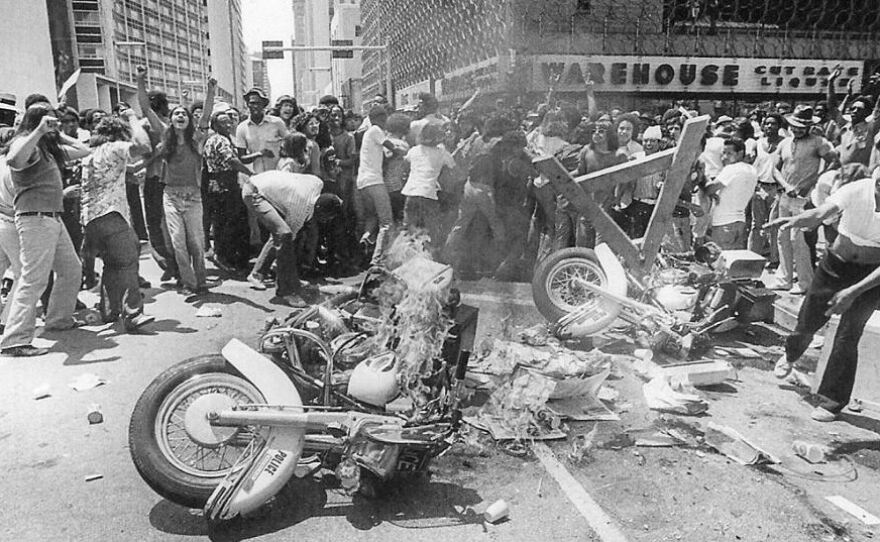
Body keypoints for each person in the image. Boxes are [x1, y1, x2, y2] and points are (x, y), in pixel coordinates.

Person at [765, 172, 880, 422]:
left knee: (848, 336)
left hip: (871, 278)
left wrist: (853, 292)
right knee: (808, 320)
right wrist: (795, 220)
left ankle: (832, 402)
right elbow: (820, 213)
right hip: (834, 265)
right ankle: (791, 355)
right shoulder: (859, 188)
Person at [1, 103, 91, 357]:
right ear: (35, 121)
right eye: (48, 118)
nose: (53, 121)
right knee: (33, 279)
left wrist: (56, 133)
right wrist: (39, 131)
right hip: (35, 219)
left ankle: (59, 319)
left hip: (52, 218)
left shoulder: (47, 149)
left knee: (72, 269)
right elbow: (14, 158)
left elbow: (83, 150)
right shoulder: (26, 145)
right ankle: (14, 340)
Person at [80, 111, 154, 331]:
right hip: (111, 215)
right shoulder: (115, 147)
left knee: (112, 264)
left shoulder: (90, 152)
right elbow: (144, 146)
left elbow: (128, 170)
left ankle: (110, 311)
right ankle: (133, 314)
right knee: (128, 260)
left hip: (90, 218)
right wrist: (132, 119)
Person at [241, 170, 340, 306]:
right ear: (320, 212)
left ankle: (257, 274)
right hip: (254, 192)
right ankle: (285, 291)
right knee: (284, 234)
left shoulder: (318, 183)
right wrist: (287, 271)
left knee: (280, 232)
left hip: (262, 184)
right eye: (326, 218)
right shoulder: (300, 210)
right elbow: (286, 239)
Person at [772, 105, 838, 294]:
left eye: (802, 126)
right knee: (782, 237)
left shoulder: (819, 142)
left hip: (803, 198)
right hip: (785, 195)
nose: (797, 129)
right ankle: (784, 278)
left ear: (809, 126)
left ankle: (804, 282)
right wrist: (785, 185)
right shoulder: (784, 143)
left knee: (798, 239)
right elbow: (775, 168)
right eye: (794, 125)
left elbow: (833, 161)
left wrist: (811, 182)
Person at [160, 77, 216, 297]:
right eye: (176, 113)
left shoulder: (197, 139)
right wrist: (140, 80)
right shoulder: (166, 142)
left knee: (196, 241)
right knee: (178, 242)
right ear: (171, 119)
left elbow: (207, 114)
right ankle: (188, 283)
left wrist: (210, 90)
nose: (181, 116)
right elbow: (146, 109)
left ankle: (201, 281)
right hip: (171, 196)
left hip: (193, 197)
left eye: (184, 113)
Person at [135, 68, 178, 283]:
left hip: (156, 178)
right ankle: (171, 263)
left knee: (157, 224)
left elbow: (143, 107)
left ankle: (169, 263)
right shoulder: (169, 125)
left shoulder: (152, 125)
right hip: (162, 178)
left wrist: (140, 81)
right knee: (164, 224)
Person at [202, 108, 256, 273]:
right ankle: (224, 257)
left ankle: (227, 256)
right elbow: (231, 160)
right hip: (224, 185)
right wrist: (251, 174)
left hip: (219, 185)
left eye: (229, 121)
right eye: (222, 122)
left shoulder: (221, 139)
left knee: (223, 223)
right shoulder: (220, 140)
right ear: (215, 125)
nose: (227, 124)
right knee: (228, 224)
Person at [401, 122, 457, 251]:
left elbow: (405, 165)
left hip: (411, 192)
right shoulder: (442, 152)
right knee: (432, 232)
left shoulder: (414, 150)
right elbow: (454, 168)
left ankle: (405, 259)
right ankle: (431, 259)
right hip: (428, 194)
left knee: (409, 230)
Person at [357, 105, 401, 266]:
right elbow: (392, 148)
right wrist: (402, 152)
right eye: (384, 118)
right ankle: (377, 261)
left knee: (372, 217)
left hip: (363, 183)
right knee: (387, 222)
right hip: (374, 181)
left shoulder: (369, 135)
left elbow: (383, 157)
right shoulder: (376, 130)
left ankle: (367, 238)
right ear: (379, 118)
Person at [704, 138, 758, 249]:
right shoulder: (752, 170)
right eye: (724, 153)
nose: (725, 157)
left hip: (723, 222)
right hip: (740, 221)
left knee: (721, 260)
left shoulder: (731, 169)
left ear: (740, 153)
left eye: (729, 153)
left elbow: (709, 189)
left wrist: (703, 179)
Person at [748, 113, 785, 262]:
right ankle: (752, 257)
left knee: (774, 226)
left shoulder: (785, 143)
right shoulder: (758, 143)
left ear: (779, 126)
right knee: (756, 225)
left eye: (773, 124)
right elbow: (753, 164)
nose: (770, 126)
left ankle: (775, 259)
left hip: (777, 190)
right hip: (760, 187)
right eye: (767, 123)